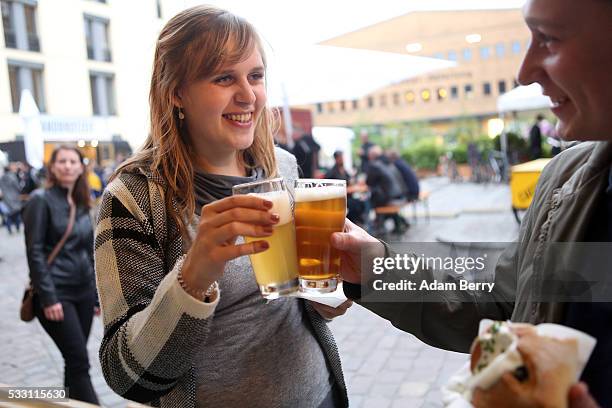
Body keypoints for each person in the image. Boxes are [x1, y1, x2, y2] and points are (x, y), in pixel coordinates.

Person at [330, 0, 612, 406]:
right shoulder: (566, 180)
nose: (524, 70)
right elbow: (506, 306)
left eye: (548, 39)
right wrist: (376, 267)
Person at [94, 6, 351, 408]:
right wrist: (193, 277)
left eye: (256, 76)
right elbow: (125, 375)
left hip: (320, 394)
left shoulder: (280, 165)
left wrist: (327, 292)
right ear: (177, 91)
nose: (248, 95)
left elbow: (292, 292)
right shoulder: (133, 198)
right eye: (224, 77)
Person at [22, 146, 99, 404]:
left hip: (83, 292)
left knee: (73, 360)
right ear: (53, 167)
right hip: (57, 292)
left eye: (73, 161)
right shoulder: (40, 200)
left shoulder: (81, 202)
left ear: (81, 167)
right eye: (62, 161)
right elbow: (34, 253)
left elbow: (89, 252)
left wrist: (97, 295)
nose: (67, 166)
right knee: (79, 360)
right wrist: (49, 297)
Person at [325, 150, 366, 225]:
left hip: (348, 197)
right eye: (341, 158)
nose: (343, 159)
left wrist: (355, 185)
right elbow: (329, 189)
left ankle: (356, 223)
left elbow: (350, 182)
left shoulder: (344, 171)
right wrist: (347, 190)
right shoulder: (331, 172)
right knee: (355, 205)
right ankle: (352, 223)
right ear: (336, 159)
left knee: (361, 202)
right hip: (338, 199)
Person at [0, 163, 23, 234]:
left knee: (8, 214)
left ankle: (9, 229)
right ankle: (17, 227)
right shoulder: (12, 176)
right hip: (14, 197)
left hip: (6, 198)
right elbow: (17, 187)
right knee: (16, 213)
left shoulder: (2, 178)